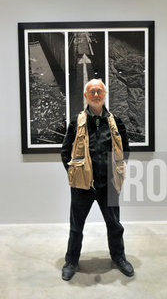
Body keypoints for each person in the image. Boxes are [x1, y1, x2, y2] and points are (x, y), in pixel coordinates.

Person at [60, 78, 134, 281]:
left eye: (99, 91)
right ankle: (71, 261)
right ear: (85, 96)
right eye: (91, 91)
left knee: (115, 225)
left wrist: (116, 172)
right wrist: (76, 172)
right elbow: (66, 152)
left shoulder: (115, 121)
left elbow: (125, 150)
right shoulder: (77, 121)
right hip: (82, 186)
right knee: (76, 227)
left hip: (108, 185)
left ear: (105, 94)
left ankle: (119, 258)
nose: (95, 95)